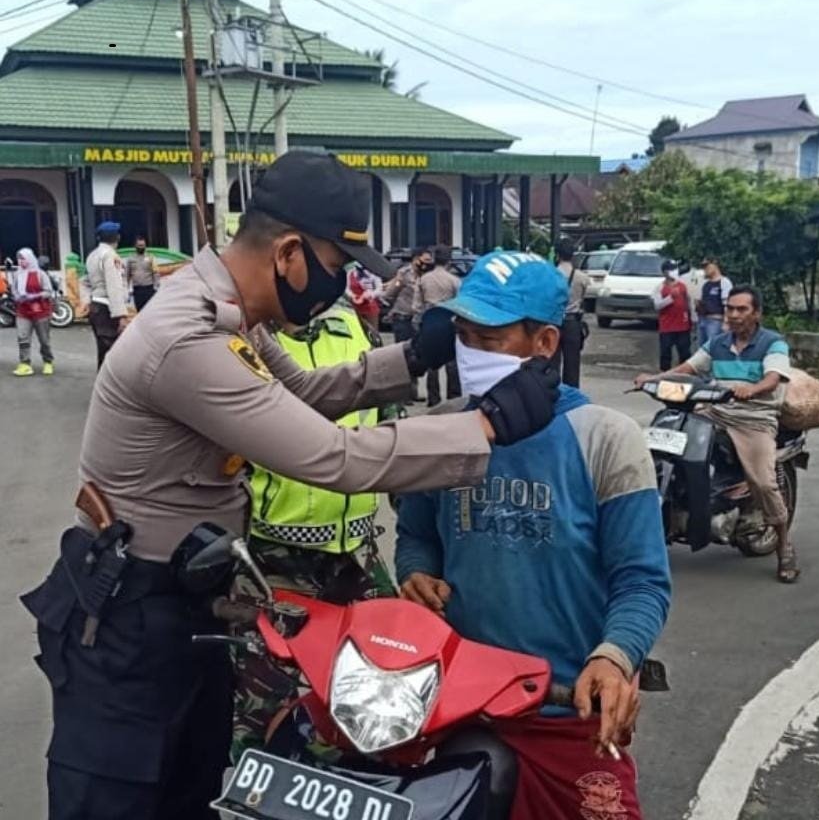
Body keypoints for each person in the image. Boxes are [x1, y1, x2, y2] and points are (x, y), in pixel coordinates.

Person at [21, 150, 561, 820]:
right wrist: (483, 427)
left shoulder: (232, 316)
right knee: (120, 801)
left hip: (189, 605)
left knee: (192, 792)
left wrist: (417, 356)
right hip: (129, 614)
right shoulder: (189, 339)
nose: (336, 286)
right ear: (289, 254)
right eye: (336, 268)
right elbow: (334, 458)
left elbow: (303, 393)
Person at [396, 251, 671, 820]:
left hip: (568, 713)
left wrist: (616, 657)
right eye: (463, 335)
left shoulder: (605, 438)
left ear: (545, 344)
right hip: (459, 706)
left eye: (488, 339)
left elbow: (641, 580)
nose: (469, 353)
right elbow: (416, 535)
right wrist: (414, 572)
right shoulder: (443, 428)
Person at [233, 304, 395, 759]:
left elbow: (391, 429)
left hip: (357, 555)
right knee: (260, 711)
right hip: (272, 561)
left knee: (383, 692)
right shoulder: (248, 338)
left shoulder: (356, 329)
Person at [635, 285, 799, 584]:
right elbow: (687, 368)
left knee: (763, 481)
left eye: (742, 310)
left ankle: (785, 547)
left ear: (756, 313)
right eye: (730, 309)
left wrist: (753, 388)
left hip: (753, 419)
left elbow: (773, 378)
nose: (734, 315)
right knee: (668, 438)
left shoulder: (773, 343)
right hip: (714, 412)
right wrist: (653, 379)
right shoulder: (718, 343)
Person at [413, 244, 461, 406]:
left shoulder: (423, 279)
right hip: (449, 320)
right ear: (449, 261)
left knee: (432, 360)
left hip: (429, 319)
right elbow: (461, 304)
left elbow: (416, 306)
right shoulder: (454, 280)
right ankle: (454, 397)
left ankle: (433, 399)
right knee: (451, 360)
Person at [382, 247, 431, 400]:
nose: (428, 263)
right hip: (403, 318)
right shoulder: (404, 274)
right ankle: (404, 394)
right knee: (403, 357)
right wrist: (390, 310)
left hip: (419, 320)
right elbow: (389, 294)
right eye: (425, 260)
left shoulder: (428, 275)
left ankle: (413, 391)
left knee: (416, 356)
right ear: (416, 259)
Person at [84, 221, 128, 369]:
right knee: (113, 352)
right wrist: (120, 315)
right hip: (107, 308)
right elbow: (114, 286)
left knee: (103, 350)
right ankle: (109, 388)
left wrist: (86, 302)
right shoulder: (110, 255)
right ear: (118, 237)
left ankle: (103, 385)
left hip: (96, 305)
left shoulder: (92, 256)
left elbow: (84, 281)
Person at [552, 238, 589, 388]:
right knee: (572, 363)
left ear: (557, 255)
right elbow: (584, 298)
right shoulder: (582, 277)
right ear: (573, 255)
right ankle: (571, 394)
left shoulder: (551, 275)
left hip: (553, 322)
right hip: (573, 323)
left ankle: (552, 391)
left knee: (552, 362)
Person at [11, 247, 55, 376]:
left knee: (44, 340)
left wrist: (35, 296)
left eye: (23, 259)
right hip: (23, 311)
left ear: (30, 259)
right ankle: (25, 364)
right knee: (22, 337)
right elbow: (14, 289)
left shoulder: (40, 274)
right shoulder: (17, 274)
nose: (20, 262)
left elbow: (48, 291)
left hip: (40, 311)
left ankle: (48, 362)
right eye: (18, 259)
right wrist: (17, 296)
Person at [653, 259, 692, 371]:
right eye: (670, 270)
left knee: (684, 352)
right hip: (667, 327)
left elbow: (688, 302)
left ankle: (684, 374)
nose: (673, 272)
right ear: (665, 272)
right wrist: (670, 298)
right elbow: (657, 305)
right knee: (665, 353)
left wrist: (692, 318)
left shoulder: (683, 286)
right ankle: (664, 374)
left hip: (683, 326)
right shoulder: (659, 288)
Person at [696, 257, 733, 347]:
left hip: (716, 321)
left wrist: (726, 322)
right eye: (703, 267)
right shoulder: (706, 284)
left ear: (715, 265)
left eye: (707, 266)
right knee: (702, 349)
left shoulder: (724, 282)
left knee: (713, 347)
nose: (705, 269)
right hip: (703, 319)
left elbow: (727, 304)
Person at [125, 236, 160, 312]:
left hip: (149, 289)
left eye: (143, 245)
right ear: (135, 246)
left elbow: (156, 273)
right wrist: (126, 290)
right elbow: (127, 275)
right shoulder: (130, 258)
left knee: (150, 312)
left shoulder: (151, 257)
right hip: (137, 290)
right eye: (139, 245)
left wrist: (156, 287)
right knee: (140, 312)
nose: (141, 247)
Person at [345, 263, 383, 332]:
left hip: (370, 306)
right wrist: (352, 295)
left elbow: (379, 288)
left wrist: (371, 294)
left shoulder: (373, 273)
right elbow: (347, 288)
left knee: (372, 330)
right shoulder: (350, 273)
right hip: (354, 306)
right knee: (355, 329)